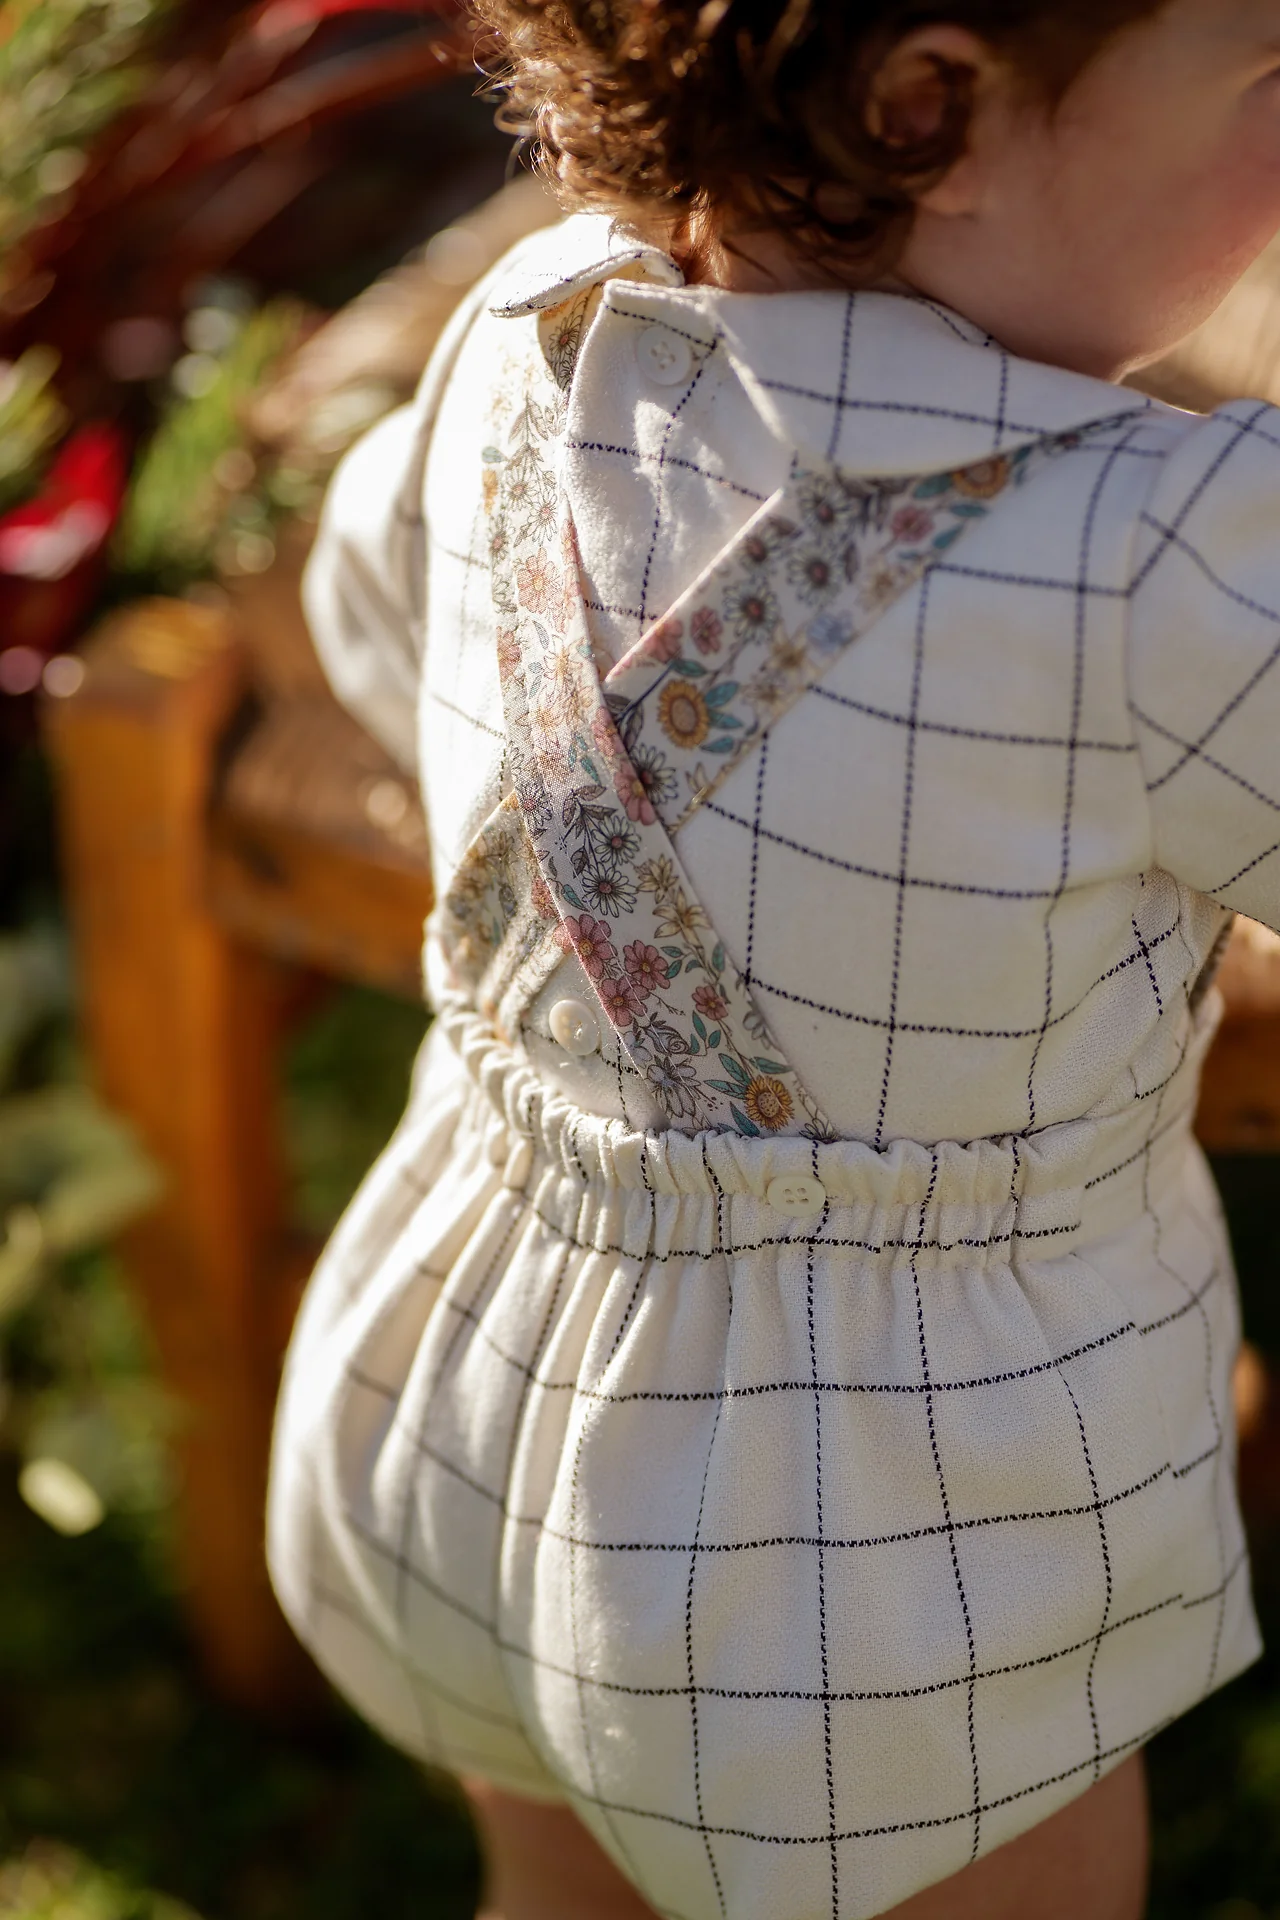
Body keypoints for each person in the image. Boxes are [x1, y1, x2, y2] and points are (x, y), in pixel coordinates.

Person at [265, 2, 1280, 1913]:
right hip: (894, 1573)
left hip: (467, 1412)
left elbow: (380, 633)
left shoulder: (529, 327)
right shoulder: (1168, 560)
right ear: (927, 109)